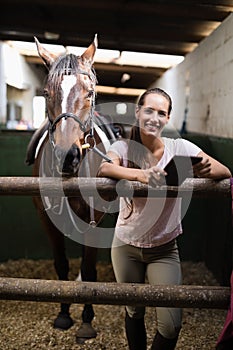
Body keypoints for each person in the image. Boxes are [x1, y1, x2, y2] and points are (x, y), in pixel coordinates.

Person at [97, 87, 232, 350]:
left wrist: (204, 169)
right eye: (149, 110)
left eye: (161, 113)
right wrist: (140, 176)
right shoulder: (123, 147)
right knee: (134, 311)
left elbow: (224, 170)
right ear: (138, 112)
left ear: (168, 118)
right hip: (126, 245)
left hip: (164, 249)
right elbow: (105, 167)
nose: (154, 118)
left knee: (171, 325)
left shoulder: (179, 147)